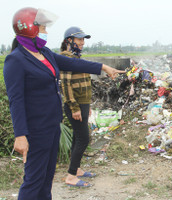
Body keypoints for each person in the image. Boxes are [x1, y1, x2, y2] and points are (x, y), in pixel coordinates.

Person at [3, 7, 125, 200]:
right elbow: (16, 101)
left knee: (46, 178)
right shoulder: (15, 60)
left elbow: (74, 64)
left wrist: (102, 67)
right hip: (35, 129)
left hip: (53, 126)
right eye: (42, 27)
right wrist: (20, 135)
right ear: (29, 28)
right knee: (34, 180)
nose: (45, 32)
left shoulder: (44, 53)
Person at [59, 27, 96, 187]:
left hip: (83, 104)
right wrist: (74, 108)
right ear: (69, 40)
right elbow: (66, 86)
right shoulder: (66, 59)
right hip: (75, 106)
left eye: (83, 40)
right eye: (79, 39)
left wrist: (87, 105)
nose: (82, 43)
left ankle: (77, 169)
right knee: (83, 139)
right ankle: (71, 176)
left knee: (77, 137)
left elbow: (85, 84)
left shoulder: (76, 58)